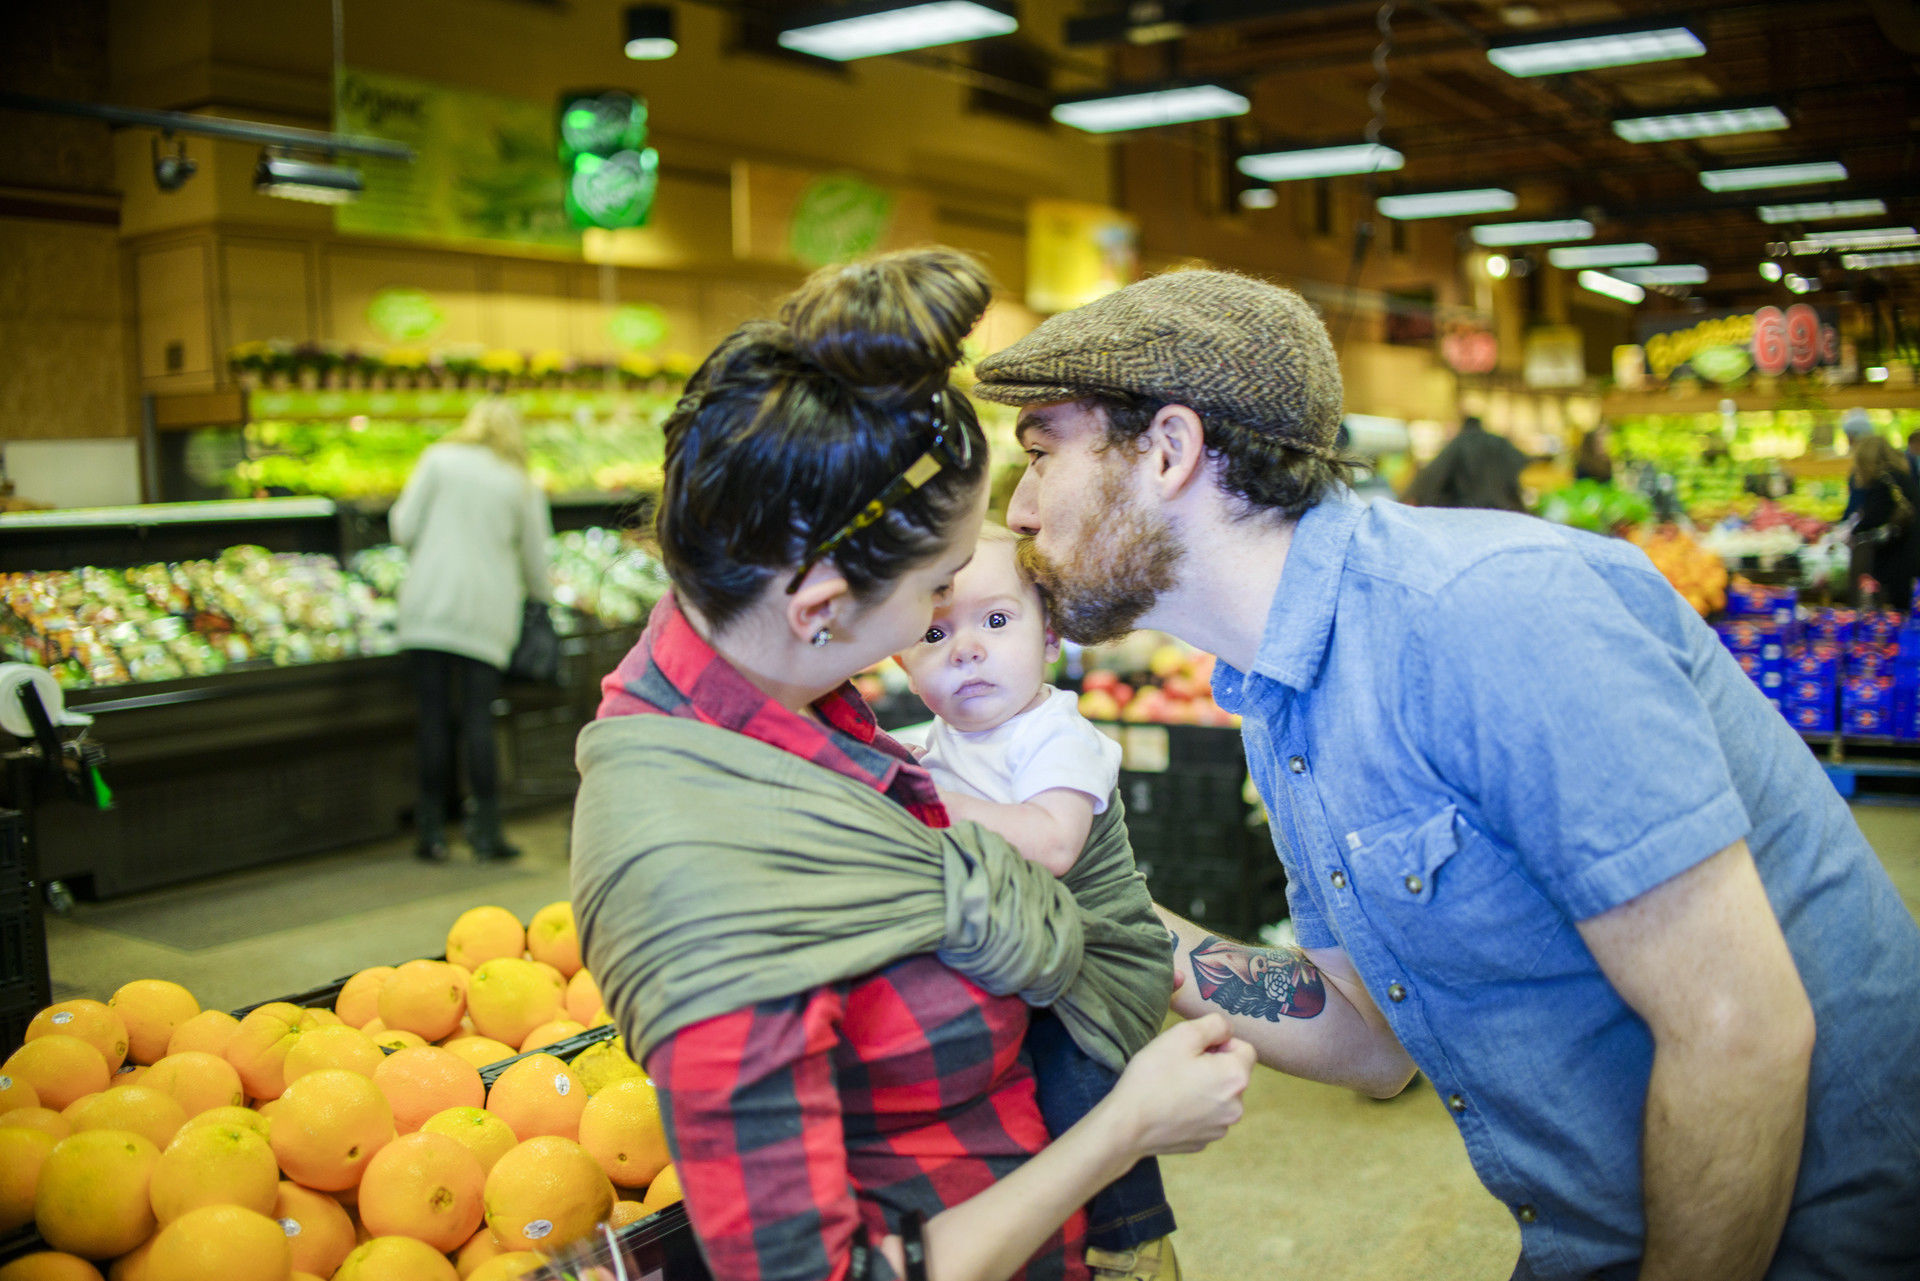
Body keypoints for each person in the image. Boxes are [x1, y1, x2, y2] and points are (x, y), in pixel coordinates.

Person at [970, 266, 1920, 1281]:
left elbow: (1743, 1032)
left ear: (1169, 450)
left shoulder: (1486, 615)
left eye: (1038, 456)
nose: (1018, 510)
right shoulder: (1278, 690)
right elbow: (1369, 1036)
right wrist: (1104, 925)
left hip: (1814, 1239)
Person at [569, 249, 1254, 1281]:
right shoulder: (709, 885)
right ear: (819, 607)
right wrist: (1123, 1130)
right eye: (937, 590)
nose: (952, 617)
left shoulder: (782, 697)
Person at [894, 526, 1177, 1277]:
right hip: (1024, 950)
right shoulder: (936, 743)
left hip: (1100, 962)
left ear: (1048, 635)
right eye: (933, 631)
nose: (967, 649)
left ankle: (1132, 1237)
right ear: (900, 660)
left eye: (996, 620)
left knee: (1071, 1072)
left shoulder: (1055, 731)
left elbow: (1052, 843)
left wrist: (924, 798)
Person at [390, 397, 552, 863]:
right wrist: (541, 603)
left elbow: (402, 527)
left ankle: (432, 831)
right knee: (478, 720)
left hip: (426, 608)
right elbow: (536, 564)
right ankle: (486, 832)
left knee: (433, 720)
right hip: (486, 614)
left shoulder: (438, 460)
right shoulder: (519, 482)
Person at [1848, 436, 1920, 611]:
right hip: (1911, 552)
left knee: (1897, 610)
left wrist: (1851, 532)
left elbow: (1870, 522)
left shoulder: (1883, 481)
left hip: (1898, 559)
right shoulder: (1901, 476)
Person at [1404, 414, 1529, 511]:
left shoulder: (1459, 443)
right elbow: (1523, 462)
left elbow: (1432, 475)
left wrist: (1409, 497)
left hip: (1463, 510)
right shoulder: (1499, 442)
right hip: (1503, 509)